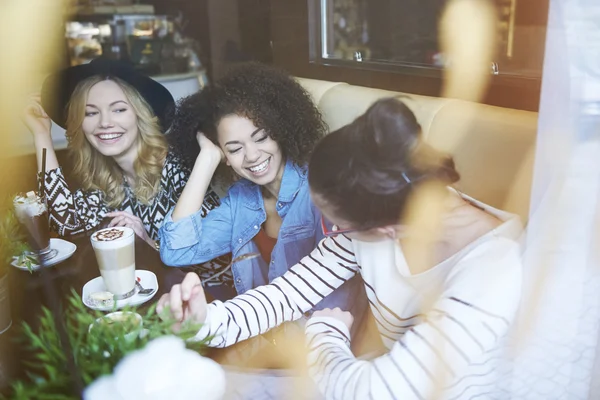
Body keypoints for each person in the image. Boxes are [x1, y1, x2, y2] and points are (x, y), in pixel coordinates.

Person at [158, 98, 523, 399]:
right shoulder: (380, 212)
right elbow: (287, 294)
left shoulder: (492, 270)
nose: (330, 232)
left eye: (336, 224)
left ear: (385, 228)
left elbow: (373, 391)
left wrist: (326, 333)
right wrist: (206, 321)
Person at [160, 62, 365, 316]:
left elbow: (336, 300)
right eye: (235, 149)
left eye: (261, 138)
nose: (252, 155)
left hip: (321, 338)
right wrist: (207, 159)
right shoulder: (240, 200)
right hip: (263, 332)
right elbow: (176, 252)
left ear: (280, 131)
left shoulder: (320, 189)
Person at [23, 58, 225, 266]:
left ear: (140, 115)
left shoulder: (178, 165)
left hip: (216, 290)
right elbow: (65, 224)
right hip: (162, 290)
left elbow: (214, 253)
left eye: (119, 109)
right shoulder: (108, 180)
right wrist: (41, 135)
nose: (105, 123)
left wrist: (149, 242)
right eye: (91, 113)